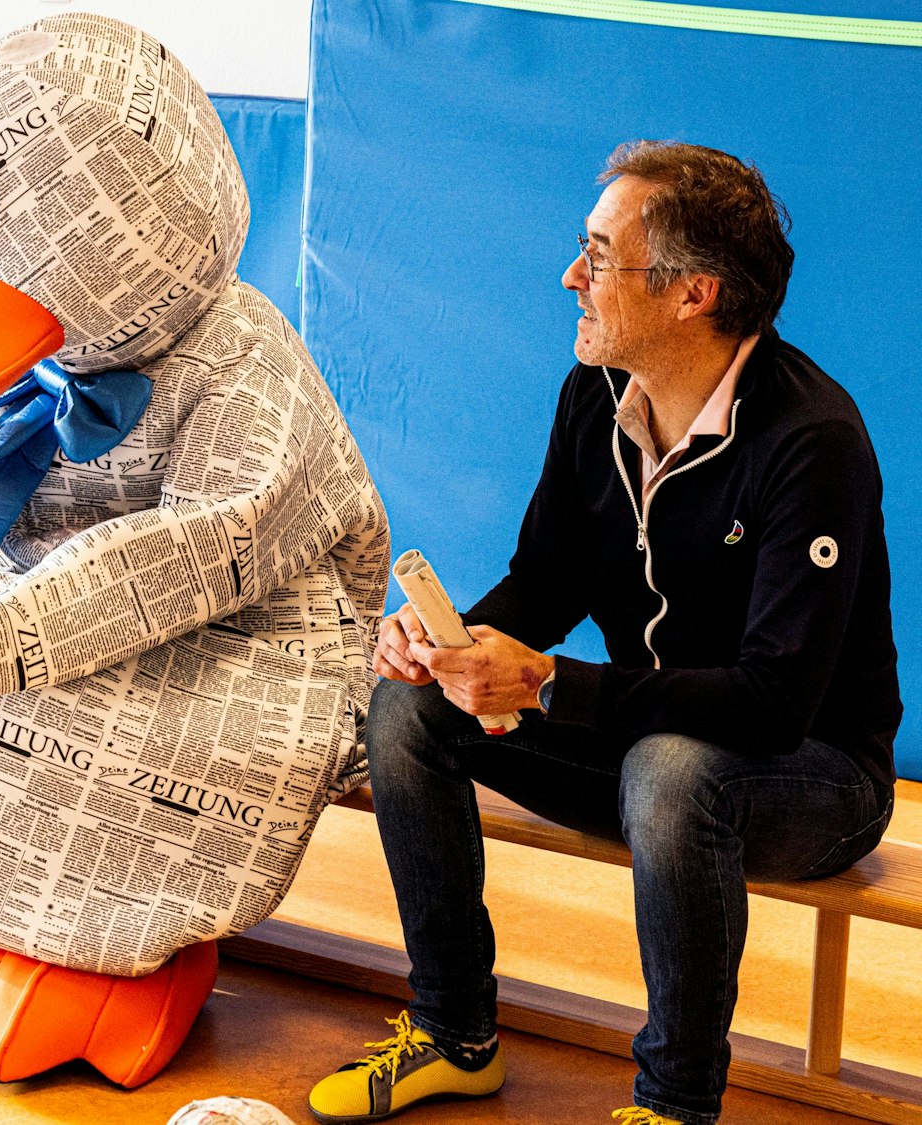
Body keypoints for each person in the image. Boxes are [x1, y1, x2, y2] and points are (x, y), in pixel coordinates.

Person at [307, 142, 898, 1125]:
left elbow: (769, 703)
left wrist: (543, 686)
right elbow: (545, 580)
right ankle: (452, 1036)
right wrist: (451, 643)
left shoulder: (810, 442)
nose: (569, 276)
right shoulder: (593, 392)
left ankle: (673, 1108)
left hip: (812, 781)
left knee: (672, 771)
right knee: (407, 705)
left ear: (690, 294)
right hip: (638, 755)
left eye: (596, 253)